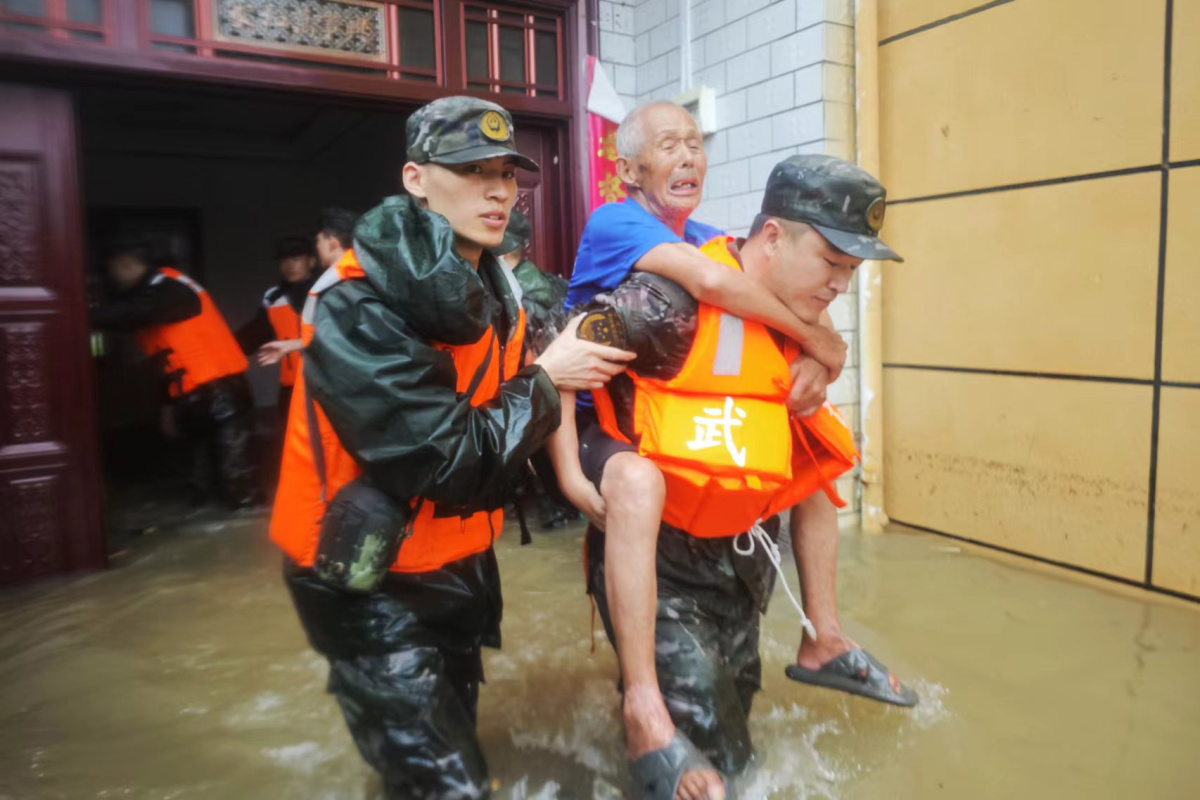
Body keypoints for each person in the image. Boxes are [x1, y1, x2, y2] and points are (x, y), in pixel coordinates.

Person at [268, 97, 634, 799]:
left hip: (460, 560)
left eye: (506, 173)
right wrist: (545, 378)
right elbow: (441, 459)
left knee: (452, 741)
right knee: (447, 786)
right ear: (415, 178)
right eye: (471, 170)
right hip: (363, 575)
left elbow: (525, 404)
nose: (498, 190)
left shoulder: (502, 290)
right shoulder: (357, 303)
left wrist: (587, 473)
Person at [568, 155, 913, 798]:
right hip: (662, 566)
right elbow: (564, 353)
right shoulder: (670, 302)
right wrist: (569, 472)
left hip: (742, 567)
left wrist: (825, 356)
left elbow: (805, 468)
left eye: (852, 269)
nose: (841, 284)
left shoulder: (800, 321)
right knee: (716, 747)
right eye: (832, 262)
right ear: (775, 237)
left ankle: (823, 640)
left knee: (731, 713)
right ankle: (642, 710)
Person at [93, 238, 259, 509]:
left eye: (117, 270)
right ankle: (210, 510)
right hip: (188, 394)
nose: (115, 277)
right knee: (198, 472)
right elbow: (162, 359)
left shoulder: (171, 288)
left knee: (234, 469)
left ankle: (245, 514)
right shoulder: (147, 295)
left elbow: (137, 313)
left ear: (129, 265)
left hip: (222, 390)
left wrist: (78, 314)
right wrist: (167, 408)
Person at [488, 209, 579, 530]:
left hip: (538, 387)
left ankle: (555, 509)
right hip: (536, 388)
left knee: (541, 460)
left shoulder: (525, 286)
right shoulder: (517, 280)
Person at [236, 235, 319, 418]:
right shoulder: (274, 298)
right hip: (290, 386)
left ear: (311, 261)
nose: (290, 266)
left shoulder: (327, 291)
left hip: (326, 384)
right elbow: (254, 334)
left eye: (296, 259)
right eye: (284, 260)